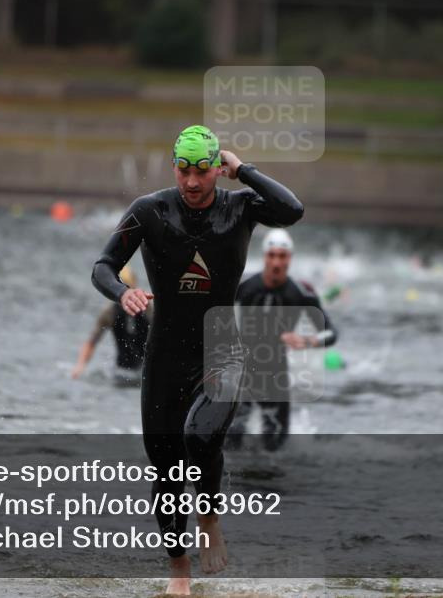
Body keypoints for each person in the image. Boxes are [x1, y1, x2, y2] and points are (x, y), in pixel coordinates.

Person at [91, 125, 304, 594]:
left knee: (200, 435)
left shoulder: (240, 206)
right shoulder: (149, 212)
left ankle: (208, 517)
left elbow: (292, 209)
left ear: (217, 170)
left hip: (221, 347)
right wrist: (122, 292)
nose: (192, 182)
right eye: (184, 170)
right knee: (165, 469)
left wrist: (244, 170)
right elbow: (102, 266)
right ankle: (179, 571)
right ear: (174, 167)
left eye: (203, 171)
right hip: (164, 356)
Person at [226, 228, 338, 452]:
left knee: (275, 448)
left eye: (282, 256)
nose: (277, 262)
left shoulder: (301, 292)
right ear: (265, 256)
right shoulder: (244, 284)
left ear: (290, 258)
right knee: (229, 445)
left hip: (276, 377)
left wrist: (307, 341)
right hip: (242, 375)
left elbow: (331, 332)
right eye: (272, 255)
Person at [71, 266, 151, 387]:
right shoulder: (110, 312)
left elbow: (165, 335)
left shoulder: (147, 308)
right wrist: (80, 367)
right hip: (121, 372)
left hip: (145, 371)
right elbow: (92, 341)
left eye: (130, 286)